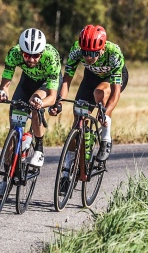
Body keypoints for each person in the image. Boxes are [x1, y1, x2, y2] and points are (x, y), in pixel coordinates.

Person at [51, 24, 127, 164]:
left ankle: (106, 139)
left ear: (102, 49)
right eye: (85, 52)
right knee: (78, 118)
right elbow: (66, 81)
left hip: (110, 78)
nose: (87, 57)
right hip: (91, 77)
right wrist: (59, 102)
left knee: (99, 92)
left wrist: (106, 111)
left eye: (92, 53)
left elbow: (115, 93)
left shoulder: (114, 53)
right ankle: (68, 166)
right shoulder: (76, 50)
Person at [0, 28, 62, 169]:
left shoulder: (51, 56)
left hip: (46, 84)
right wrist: (2, 93)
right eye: (27, 55)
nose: (31, 59)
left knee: (35, 101)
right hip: (27, 81)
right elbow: (5, 84)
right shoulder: (14, 53)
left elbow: (52, 97)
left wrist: (41, 103)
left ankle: (39, 148)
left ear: (42, 53)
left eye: (36, 56)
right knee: (14, 123)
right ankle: (7, 174)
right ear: (21, 51)